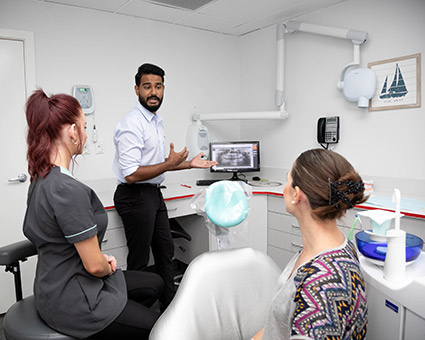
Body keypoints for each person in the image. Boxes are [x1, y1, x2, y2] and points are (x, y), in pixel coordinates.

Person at [23, 89, 164, 340]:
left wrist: (99, 259)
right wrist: (104, 264)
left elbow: (69, 244)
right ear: (72, 132)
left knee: (154, 284)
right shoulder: (67, 190)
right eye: (84, 127)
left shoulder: (41, 178)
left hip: (51, 286)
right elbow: (94, 266)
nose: (86, 135)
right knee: (162, 330)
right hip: (75, 301)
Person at [113, 63, 217, 309]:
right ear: (137, 89)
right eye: (147, 86)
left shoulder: (155, 121)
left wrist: (188, 164)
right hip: (135, 194)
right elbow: (130, 174)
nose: (153, 92)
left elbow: (158, 165)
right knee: (139, 260)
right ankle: (137, 316)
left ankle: (170, 309)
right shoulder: (132, 124)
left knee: (165, 252)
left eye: (158, 87)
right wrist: (169, 164)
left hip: (151, 193)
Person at [251, 148, 368, 340]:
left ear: (296, 194)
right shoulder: (334, 248)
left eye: (287, 179)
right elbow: (278, 324)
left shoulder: (323, 287)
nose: (283, 188)